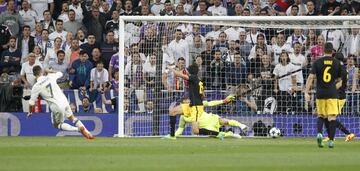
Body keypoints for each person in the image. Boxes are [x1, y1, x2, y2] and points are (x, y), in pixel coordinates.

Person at [27, 65, 94, 140]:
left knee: (57, 125)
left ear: (34, 75)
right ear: (42, 71)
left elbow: (31, 103)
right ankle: (88, 133)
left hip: (56, 106)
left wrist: (30, 112)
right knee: (72, 118)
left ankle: (78, 130)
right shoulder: (50, 76)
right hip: (64, 101)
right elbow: (60, 73)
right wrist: (51, 71)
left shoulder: (36, 86)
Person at [304, 43, 342, 148]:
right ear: (332, 51)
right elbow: (341, 81)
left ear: (323, 50)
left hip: (320, 93)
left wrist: (306, 92)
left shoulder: (317, 62)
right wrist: (334, 87)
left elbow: (311, 77)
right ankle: (331, 140)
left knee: (321, 115)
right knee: (332, 117)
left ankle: (320, 133)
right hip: (332, 93)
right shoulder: (337, 63)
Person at [323, 53, 355, 142]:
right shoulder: (340, 69)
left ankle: (348, 134)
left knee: (330, 117)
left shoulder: (342, 70)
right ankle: (331, 135)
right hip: (337, 96)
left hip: (339, 96)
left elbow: (340, 84)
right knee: (328, 116)